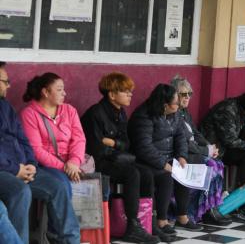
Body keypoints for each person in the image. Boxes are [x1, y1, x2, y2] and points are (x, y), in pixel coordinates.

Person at [0, 63, 79, 244]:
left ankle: (69, 241)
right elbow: (36, 147)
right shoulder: (29, 113)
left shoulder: (6, 107)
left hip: (24, 168)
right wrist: (15, 170)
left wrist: (31, 166)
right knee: (19, 191)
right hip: (6, 170)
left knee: (57, 186)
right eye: (5, 81)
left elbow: (24, 141)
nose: (8, 85)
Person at [80, 72, 162, 243]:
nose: (130, 94)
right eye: (125, 91)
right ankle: (132, 226)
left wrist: (113, 143)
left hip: (119, 158)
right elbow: (96, 148)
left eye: (130, 91)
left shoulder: (121, 113)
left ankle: (147, 222)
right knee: (132, 174)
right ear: (111, 94)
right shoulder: (95, 113)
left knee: (146, 173)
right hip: (99, 162)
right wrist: (116, 148)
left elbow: (127, 143)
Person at [128, 84, 202, 234]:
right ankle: (162, 220)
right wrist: (163, 164)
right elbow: (144, 147)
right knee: (166, 176)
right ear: (165, 105)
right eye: (176, 102)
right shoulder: (144, 116)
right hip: (146, 161)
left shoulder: (175, 114)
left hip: (169, 158)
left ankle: (182, 216)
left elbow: (181, 136)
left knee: (184, 172)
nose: (179, 104)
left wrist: (182, 156)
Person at [200, 90, 245, 221]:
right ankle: (243, 205)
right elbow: (230, 140)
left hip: (225, 149)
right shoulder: (228, 110)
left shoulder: (244, 112)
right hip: (213, 150)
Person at [170, 76, 231, 226]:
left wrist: (210, 146)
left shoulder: (185, 112)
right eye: (183, 94)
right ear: (174, 95)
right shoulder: (173, 113)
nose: (187, 97)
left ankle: (210, 207)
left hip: (192, 151)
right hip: (181, 155)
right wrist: (206, 151)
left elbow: (196, 134)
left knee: (217, 162)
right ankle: (202, 210)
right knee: (212, 166)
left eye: (189, 93)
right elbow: (182, 142)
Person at [20, 72, 86, 196]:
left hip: (73, 164)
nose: (64, 93)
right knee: (62, 184)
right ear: (45, 92)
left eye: (64, 89)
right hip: (46, 165)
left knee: (98, 184)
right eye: (59, 90)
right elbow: (36, 150)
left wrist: (74, 162)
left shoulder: (70, 110)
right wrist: (65, 168)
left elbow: (79, 139)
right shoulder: (29, 114)